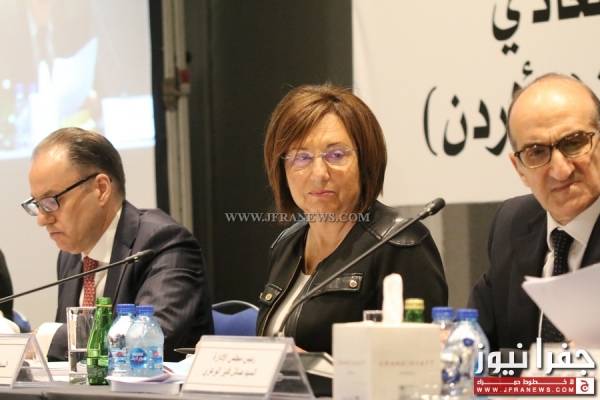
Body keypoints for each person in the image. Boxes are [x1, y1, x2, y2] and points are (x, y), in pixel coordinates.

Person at [257, 84, 448, 353]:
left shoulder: (400, 244)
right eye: (301, 157)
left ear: (365, 161)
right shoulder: (286, 245)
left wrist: (318, 367)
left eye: (336, 155)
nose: (319, 173)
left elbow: (418, 362)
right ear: (281, 168)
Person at [22, 127, 213, 361]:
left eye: (51, 201)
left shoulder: (163, 244)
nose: (42, 219)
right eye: (37, 204)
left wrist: (49, 337)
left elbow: (147, 343)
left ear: (101, 189)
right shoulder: (70, 256)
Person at [469, 73, 600, 352]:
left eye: (574, 142)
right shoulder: (511, 223)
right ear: (519, 169)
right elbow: (476, 345)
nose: (561, 170)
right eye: (537, 152)